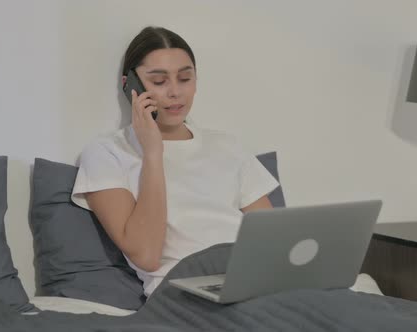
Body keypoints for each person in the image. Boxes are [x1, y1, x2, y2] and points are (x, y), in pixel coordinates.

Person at [71, 26, 279, 297]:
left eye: (185, 78)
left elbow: (276, 240)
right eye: (159, 82)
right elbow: (146, 255)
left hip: (252, 278)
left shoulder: (227, 145)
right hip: (182, 291)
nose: (175, 92)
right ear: (130, 86)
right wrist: (153, 153)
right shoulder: (106, 153)